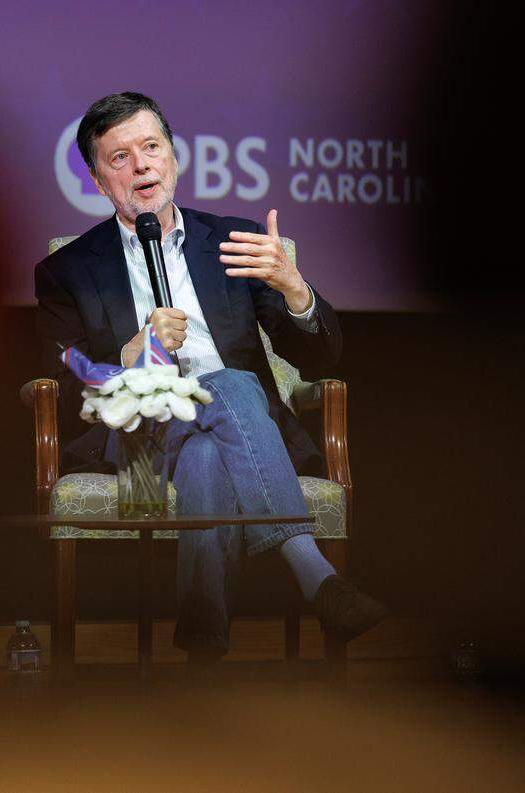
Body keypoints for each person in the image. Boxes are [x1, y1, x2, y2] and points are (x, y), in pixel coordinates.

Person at [35, 92, 387, 663]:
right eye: (120, 157)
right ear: (99, 181)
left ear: (174, 157)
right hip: (138, 451)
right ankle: (312, 572)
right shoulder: (67, 269)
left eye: (152, 147)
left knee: (207, 451)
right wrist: (128, 356)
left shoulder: (232, 243)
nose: (141, 165)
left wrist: (296, 291)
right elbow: (61, 383)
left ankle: (202, 651)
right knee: (235, 384)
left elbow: (318, 359)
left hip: (234, 436)